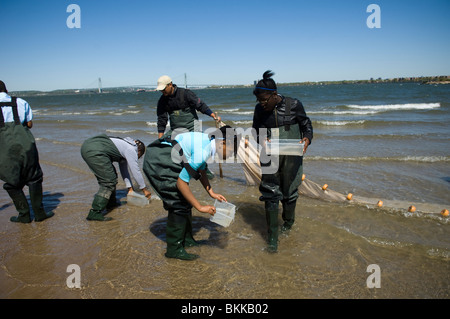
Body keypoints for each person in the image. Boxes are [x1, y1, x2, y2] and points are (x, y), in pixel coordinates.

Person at [143, 125, 240, 260]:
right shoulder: (204, 151)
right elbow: (181, 182)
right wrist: (200, 207)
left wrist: (211, 193)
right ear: (223, 142)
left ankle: (187, 240)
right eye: (232, 151)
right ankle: (174, 249)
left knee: (185, 200)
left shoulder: (209, 143)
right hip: (160, 157)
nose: (231, 155)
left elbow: (201, 171)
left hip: (169, 153)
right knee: (178, 202)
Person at [251, 71, 313, 252]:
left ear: (274, 95)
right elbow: (255, 130)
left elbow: (306, 125)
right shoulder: (259, 110)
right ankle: (272, 238)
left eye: (264, 100)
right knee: (270, 191)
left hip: (291, 154)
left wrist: (307, 139)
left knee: (290, 189)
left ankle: (288, 222)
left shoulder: (294, 105)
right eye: (259, 101)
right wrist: (261, 139)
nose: (261, 104)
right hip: (269, 153)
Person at [0, 80, 54, 223]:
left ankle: (24, 215)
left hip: (3, 148)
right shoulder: (21, 102)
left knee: (11, 182)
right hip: (25, 144)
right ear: (5, 89)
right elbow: (29, 124)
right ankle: (39, 213)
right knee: (34, 178)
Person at [81, 135, 152, 221]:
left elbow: (124, 171)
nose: (138, 158)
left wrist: (130, 189)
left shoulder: (125, 146)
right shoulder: (132, 150)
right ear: (139, 151)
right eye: (140, 156)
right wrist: (144, 189)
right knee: (108, 181)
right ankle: (94, 212)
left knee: (111, 176)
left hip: (89, 146)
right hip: (94, 150)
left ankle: (111, 204)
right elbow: (135, 171)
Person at [156, 75, 221, 138]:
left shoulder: (186, 93)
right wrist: (160, 139)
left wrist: (213, 115)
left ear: (170, 85)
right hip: (176, 131)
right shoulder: (162, 101)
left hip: (193, 129)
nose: (162, 92)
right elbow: (162, 120)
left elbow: (200, 105)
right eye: (160, 90)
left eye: (164, 89)